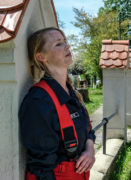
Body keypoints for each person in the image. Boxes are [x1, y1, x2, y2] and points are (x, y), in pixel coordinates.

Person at [19, 27, 95, 180]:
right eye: (58, 44)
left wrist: (90, 149)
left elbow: (88, 130)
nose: (67, 46)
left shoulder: (70, 92)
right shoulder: (39, 100)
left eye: (65, 41)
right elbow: (41, 167)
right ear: (41, 57)